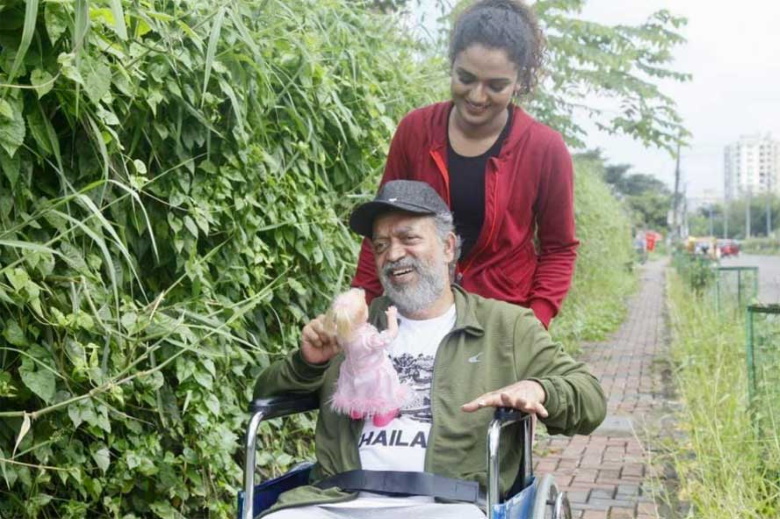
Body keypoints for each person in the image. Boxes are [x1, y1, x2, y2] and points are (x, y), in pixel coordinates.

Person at [254, 180, 606, 518]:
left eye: (409, 239)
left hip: (449, 504)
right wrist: (307, 364)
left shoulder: (505, 327)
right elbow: (265, 400)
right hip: (336, 499)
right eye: (380, 245)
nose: (393, 254)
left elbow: (590, 398)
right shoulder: (353, 325)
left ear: (448, 247)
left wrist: (540, 388)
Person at [352, 0, 579, 329]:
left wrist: (535, 321)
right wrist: (361, 302)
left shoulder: (545, 148)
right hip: (418, 314)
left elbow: (559, 248)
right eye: (466, 78)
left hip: (503, 321)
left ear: (520, 80)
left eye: (496, 85)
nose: (477, 96)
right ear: (452, 64)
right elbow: (382, 229)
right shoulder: (416, 131)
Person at [326, 288, 408, 427]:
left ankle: (357, 409)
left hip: (354, 371)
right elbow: (390, 334)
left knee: (356, 389)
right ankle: (384, 413)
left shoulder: (343, 334)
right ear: (364, 314)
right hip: (374, 371)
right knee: (381, 391)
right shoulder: (368, 339)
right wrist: (392, 317)